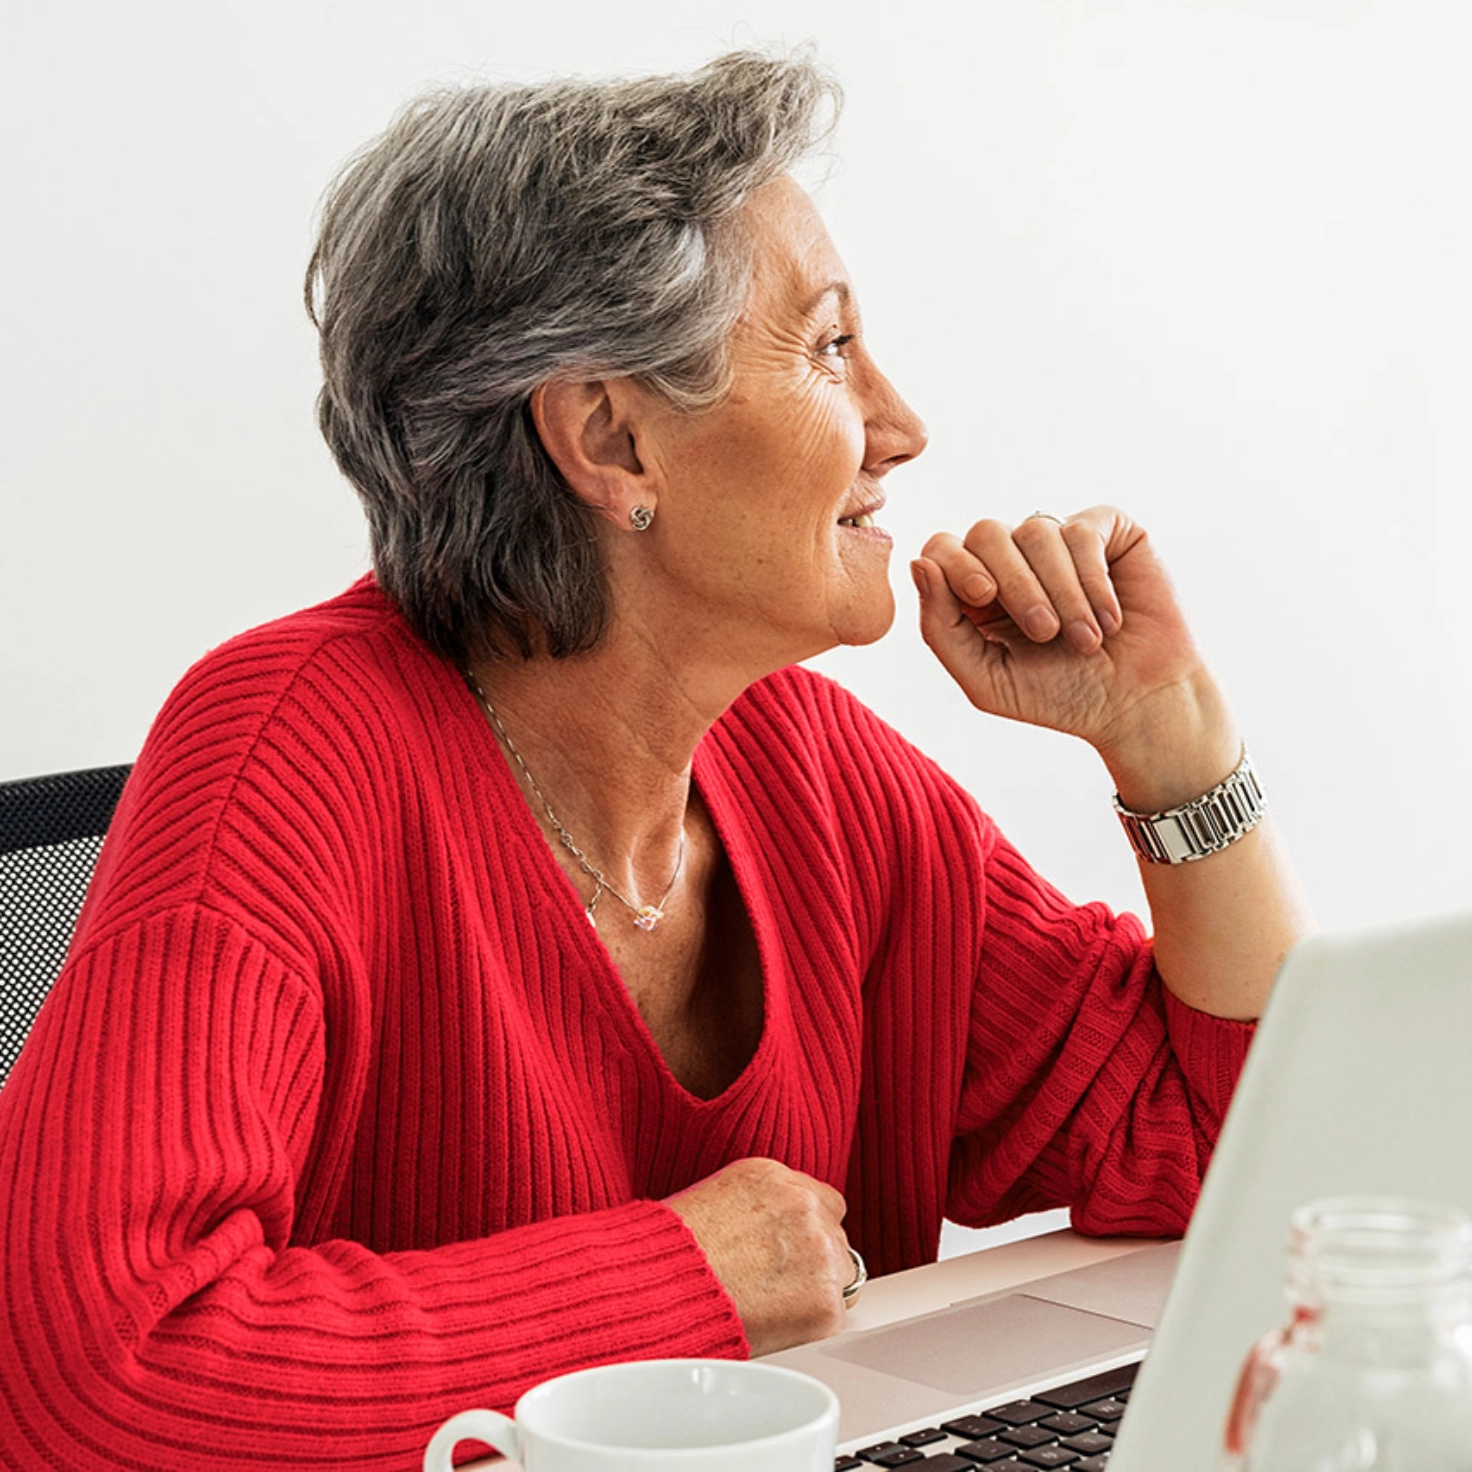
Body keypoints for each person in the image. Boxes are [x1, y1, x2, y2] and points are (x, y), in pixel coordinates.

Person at [0, 50, 1311, 1470]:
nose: (901, 426)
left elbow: (1241, 1153)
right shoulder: (282, 756)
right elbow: (104, 1373)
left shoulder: (815, 771)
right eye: (828, 348)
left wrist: (1177, 757)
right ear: (612, 439)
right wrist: (683, 1277)